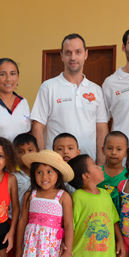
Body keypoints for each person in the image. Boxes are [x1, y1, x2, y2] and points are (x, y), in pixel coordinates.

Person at [31, 33, 108, 164]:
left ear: (86, 54)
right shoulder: (48, 87)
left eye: (78, 52)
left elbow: (101, 130)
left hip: (87, 166)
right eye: (68, 53)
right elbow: (38, 127)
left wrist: (100, 165)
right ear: (62, 56)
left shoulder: (96, 90)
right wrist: (42, 162)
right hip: (56, 166)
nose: (73, 57)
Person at [98, 131, 129, 257]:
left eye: (119, 149)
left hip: (121, 228)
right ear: (103, 150)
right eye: (109, 148)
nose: (114, 152)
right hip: (99, 227)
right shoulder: (97, 173)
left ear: (126, 151)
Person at [13, 133, 39, 209]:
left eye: (30, 150)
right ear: (14, 154)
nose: (26, 154)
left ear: (37, 151)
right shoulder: (12, 174)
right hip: (15, 215)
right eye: (21, 152)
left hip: (36, 215)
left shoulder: (41, 173)